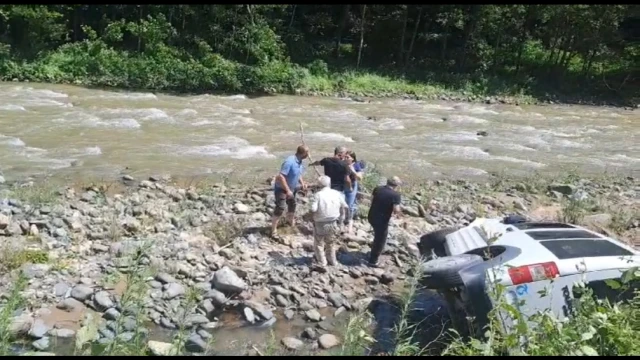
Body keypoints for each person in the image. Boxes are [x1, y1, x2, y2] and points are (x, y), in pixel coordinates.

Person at [310, 175, 349, 268]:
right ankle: (332, 260)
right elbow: (345, 206)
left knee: (319, 243)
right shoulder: (337, 193)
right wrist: (342, 220)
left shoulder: (317, 195)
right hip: (333, 221)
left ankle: (322, 262)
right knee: (331, 243)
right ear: (329, 184)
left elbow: (313, 209)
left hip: (320, 222)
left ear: (319, 185)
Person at [271, 145, 309, 239]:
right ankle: (273, 230)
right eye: (307, 153)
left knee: (292, 205)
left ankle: (290, 222)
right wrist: (287, 190)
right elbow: (281, 176)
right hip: (282, 188)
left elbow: (298, 173)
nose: (308, 154)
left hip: (292, 188)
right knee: (280, 208)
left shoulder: (299, 161)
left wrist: (302, 183)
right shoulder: (290, 161)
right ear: (303, 153)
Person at [367, 176, 402, 267]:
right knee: (381, 239)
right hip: (382, 220)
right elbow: (396, 209)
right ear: (396, 185)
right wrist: (398, 215)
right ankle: (373, 261)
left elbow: (371, 200)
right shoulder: (395, 195)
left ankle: (373, 250)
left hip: (371, 216)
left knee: (377, 234)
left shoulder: (377, 189)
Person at [343, 151, 365, 233]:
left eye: (347, 157)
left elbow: (360, 178)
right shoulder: (343, 163)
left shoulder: (356, 165)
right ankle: (343, 218)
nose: (345, 158)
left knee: (350, 204)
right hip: (342, 185)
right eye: (345, 157)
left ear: (352, 158)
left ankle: (349, 220)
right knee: (342, 202)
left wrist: (353, 171)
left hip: (351, 186)